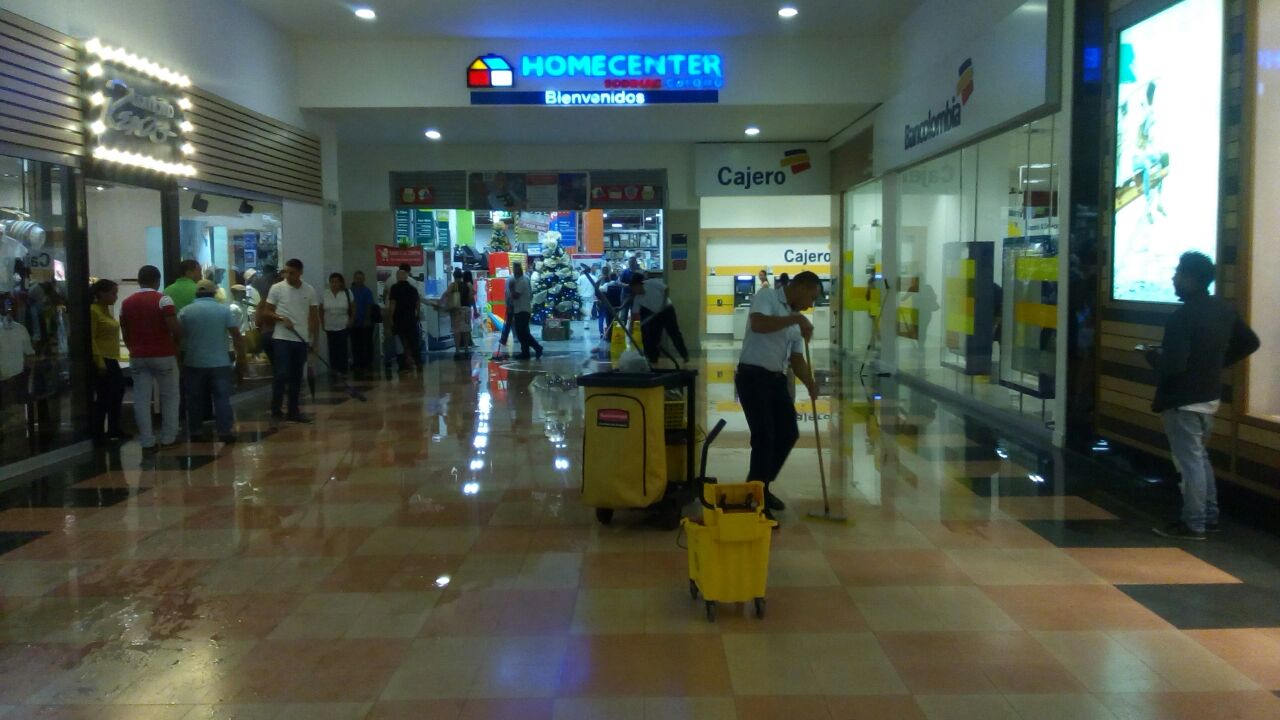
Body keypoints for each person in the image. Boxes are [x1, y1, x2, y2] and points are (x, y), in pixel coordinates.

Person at [1145, 252, 1258, 540]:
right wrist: (1218, 362)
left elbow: (1174, 366)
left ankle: (1193, 523)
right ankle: (1209, 515)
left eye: (1178, 273)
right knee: (1200, 458)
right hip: (1209, 395)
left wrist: (1152, 358)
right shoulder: (1223, 310)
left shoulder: (1182, 317)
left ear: (1191, 279)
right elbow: (1250, 342)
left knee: (1189, 462)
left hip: (1182, 399)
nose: (1174, 278)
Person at [735, 270, 822, 521]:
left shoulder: (797, 320)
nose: (811, 304)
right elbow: (759, 324)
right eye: (811, 297)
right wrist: (794, 320)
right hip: (752, 377)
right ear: (801, 287)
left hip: (776, 380)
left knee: (788, 433)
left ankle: (759, 486)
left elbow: (796, 358)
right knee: (765, 436)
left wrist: (810, 383)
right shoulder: (767, 297)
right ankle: (755, 499)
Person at [120, 265, 181, 451]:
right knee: (169, 396)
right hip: (163, 354)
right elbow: (174, 328)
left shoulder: (126, 302)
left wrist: (132, 347)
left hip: (138, 356)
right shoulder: (163, 300)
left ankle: (147, 440)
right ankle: (168, 437)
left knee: (141, 399)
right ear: (157, 280)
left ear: (139, 281)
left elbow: (125, 329)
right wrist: (175, 346)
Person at [180, 279, 246, 443]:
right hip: (220, 362)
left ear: (196, 293)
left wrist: (179, 359)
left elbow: (177, 336)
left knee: (194, 398)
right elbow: (236, 335)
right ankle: (225, 431)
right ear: (214, 293)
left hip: (193, 362)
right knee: (222, 398)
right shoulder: (223, 310)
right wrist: (242, 357)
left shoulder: (185, 311)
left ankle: (196, 431)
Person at [261, 258, 319, 423]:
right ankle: (276, 409)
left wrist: (314, 341)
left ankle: (294, 411)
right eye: (286, 272)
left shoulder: (309, 290)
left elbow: (314, 317)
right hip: (282, 338)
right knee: (281, 374)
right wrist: (280, 317)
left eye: (292, 273)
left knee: (296, 376)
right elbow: (266, 312)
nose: (288, 275)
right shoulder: (277, 288)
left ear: (300, 273)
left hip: (300, 339)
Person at [89, 278, 127, 444]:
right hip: (103, 360)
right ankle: (98, 433)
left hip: (112, 358)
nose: (115, 297)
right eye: (113, 293)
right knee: (104, 397)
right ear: (101, 294)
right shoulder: (94, 311)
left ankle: (114, 428)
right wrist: (99, 361)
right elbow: (91, 338)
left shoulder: (106, 311)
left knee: (117, 393)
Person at [629, 272, 690, 365]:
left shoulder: (651, 283)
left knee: (674, 333)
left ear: (639, 285)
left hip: (667, 309)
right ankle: (653, 359)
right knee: (654, 336)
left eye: (634, 288)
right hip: (655, 314)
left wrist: (664, 303)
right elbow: (634, 315)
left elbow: (666, 289)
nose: (634, 291)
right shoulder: (637, 298)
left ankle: (684, 355)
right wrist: (631, 330)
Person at [386, 264, 423, 372]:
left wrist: (390, 318)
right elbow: (418, 302)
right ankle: (417, 361)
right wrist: (417, 314)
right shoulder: (412, 288)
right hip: (411, 318)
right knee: (413, 341)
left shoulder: (394, 288)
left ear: (398, 277)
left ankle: (404, 364)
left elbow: (392, 303)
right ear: (407, 276)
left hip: (399, 319)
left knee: (401, 342)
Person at [321, 272, 353, 378]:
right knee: (332, 349)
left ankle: (343, 370)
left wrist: (351, 320)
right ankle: (334, 370)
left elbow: (353, 308)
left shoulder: (347, 293)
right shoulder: (325, 293)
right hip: (329, 325)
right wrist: (322, 323)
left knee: (342, 349)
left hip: (343, 324)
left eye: (336, 282)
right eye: (332, 282)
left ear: (340, 283)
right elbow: (320, 309)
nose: (334, 284)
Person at [508, 262, 542, 360]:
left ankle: (537, 347)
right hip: (520, 309)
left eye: (515, 269)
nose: (514, 272)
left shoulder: (522, 281)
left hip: (522, 310)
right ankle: (525, 352)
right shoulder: (520, 281)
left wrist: (511, 288)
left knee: (522, 332)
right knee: (522, 332)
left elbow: (516, 295)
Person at [349, 270, 377, 376]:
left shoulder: (367, 291)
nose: (359, 280)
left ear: (364, 279)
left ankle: (367, 364)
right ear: (354, 279)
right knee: (355, 345)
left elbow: (369, 306)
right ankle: (357, 364)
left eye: (361, 278)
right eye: (357, 278)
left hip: (365, 323)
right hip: (354, 323)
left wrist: (366, 319)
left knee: (366, 345)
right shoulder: (350, 291)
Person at [461, 269, 477, 350]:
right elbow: (473, 296)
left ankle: (463, 343)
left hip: (460, 308)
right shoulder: (469, 285)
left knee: (462, 326)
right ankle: (468, 343)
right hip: (467, 307)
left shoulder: (461, 285)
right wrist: (475, 310)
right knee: (467, 326)